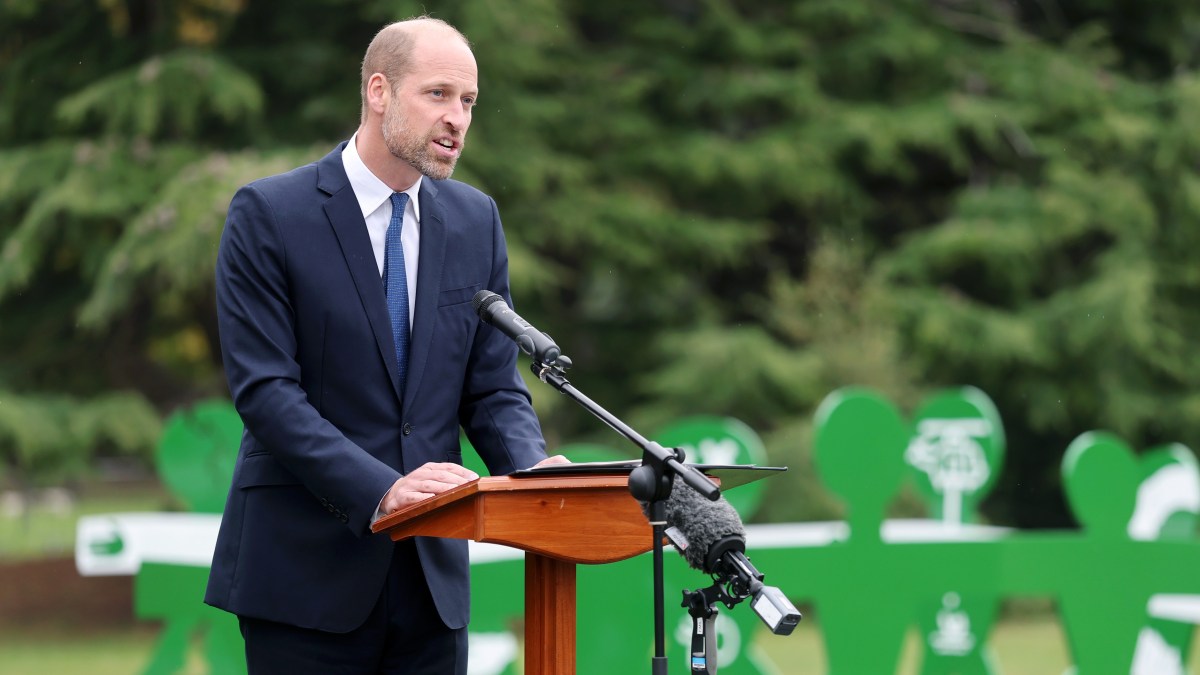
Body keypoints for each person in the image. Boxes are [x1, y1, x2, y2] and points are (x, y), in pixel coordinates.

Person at [204, 16, 565, 674]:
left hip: (431, 585)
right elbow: (266, 394)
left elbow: (491, 388)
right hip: (304, 575)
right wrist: (385, 489)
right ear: (378, 91)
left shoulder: (474, 220)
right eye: (438, 95)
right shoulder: (269, 214)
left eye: (469, 102)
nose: (457, 117)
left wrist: (533, 472)